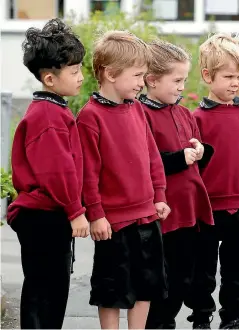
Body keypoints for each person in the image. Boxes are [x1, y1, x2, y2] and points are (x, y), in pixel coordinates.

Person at [76, 30, 171, 330]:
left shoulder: (138, 109)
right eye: (137, 75)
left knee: (147, 285)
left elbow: (152, 157)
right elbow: (87, 173)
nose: (142, 83)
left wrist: (160, 196)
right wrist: (96, 215)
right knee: (112, 290)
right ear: (110, 74)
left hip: (147, 217)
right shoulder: (90, 117)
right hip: (114, 224)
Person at [185, 33, 239, 329]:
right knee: (202, 269)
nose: (236, 83)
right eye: (228, 77)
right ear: (208, 76)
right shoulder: (196, 119)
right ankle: (200, 315)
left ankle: (232, 317)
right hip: (207, 210)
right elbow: (191, 170)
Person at [7, 18, 89, 329]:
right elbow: (58, 171)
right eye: (74, 71)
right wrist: (75, 211)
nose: (81, 77)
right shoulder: (48, 116)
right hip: (44, 216)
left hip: (46, 215)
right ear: (51, 79)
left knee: (47, 291)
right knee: (46, 294)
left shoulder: (51, 110)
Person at [138, 39, 215, 329]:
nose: (182, 86)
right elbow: (147, 162)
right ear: (152, 80)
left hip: (190, 211)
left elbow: (195, 163)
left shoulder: (183, 113)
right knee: (163, 281)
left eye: (184, 79)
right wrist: (180, 158)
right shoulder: (141, 115)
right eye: (177, 80)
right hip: (163, 213)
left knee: (186, 277)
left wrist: (201, 151)